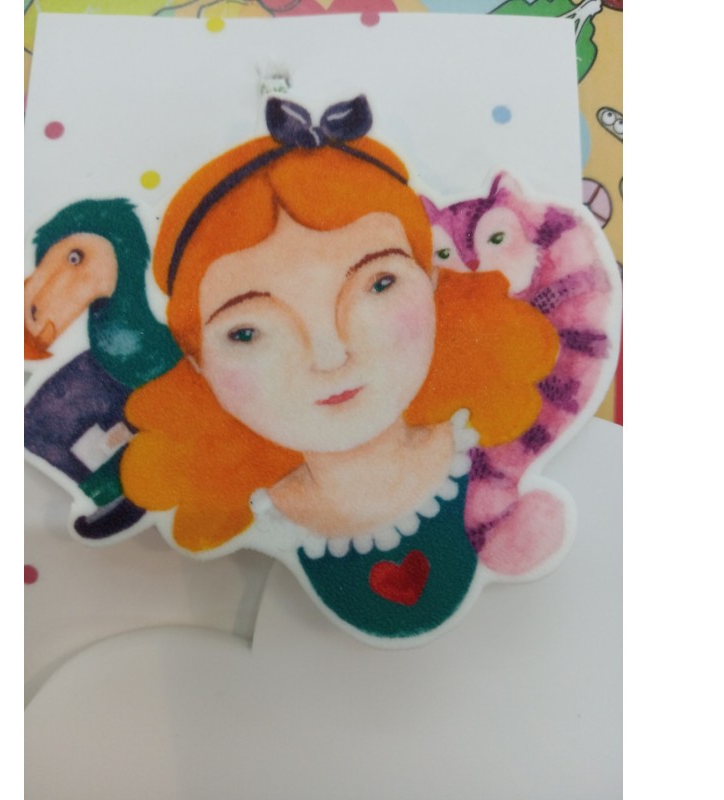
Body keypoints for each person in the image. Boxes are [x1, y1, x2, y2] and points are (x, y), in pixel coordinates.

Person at [121, 97, 560, 644]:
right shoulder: (261, 521)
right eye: (247, 332)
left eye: (379, 285)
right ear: (198, 366)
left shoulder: (497, 460)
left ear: (431, 282)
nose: (330, 355)